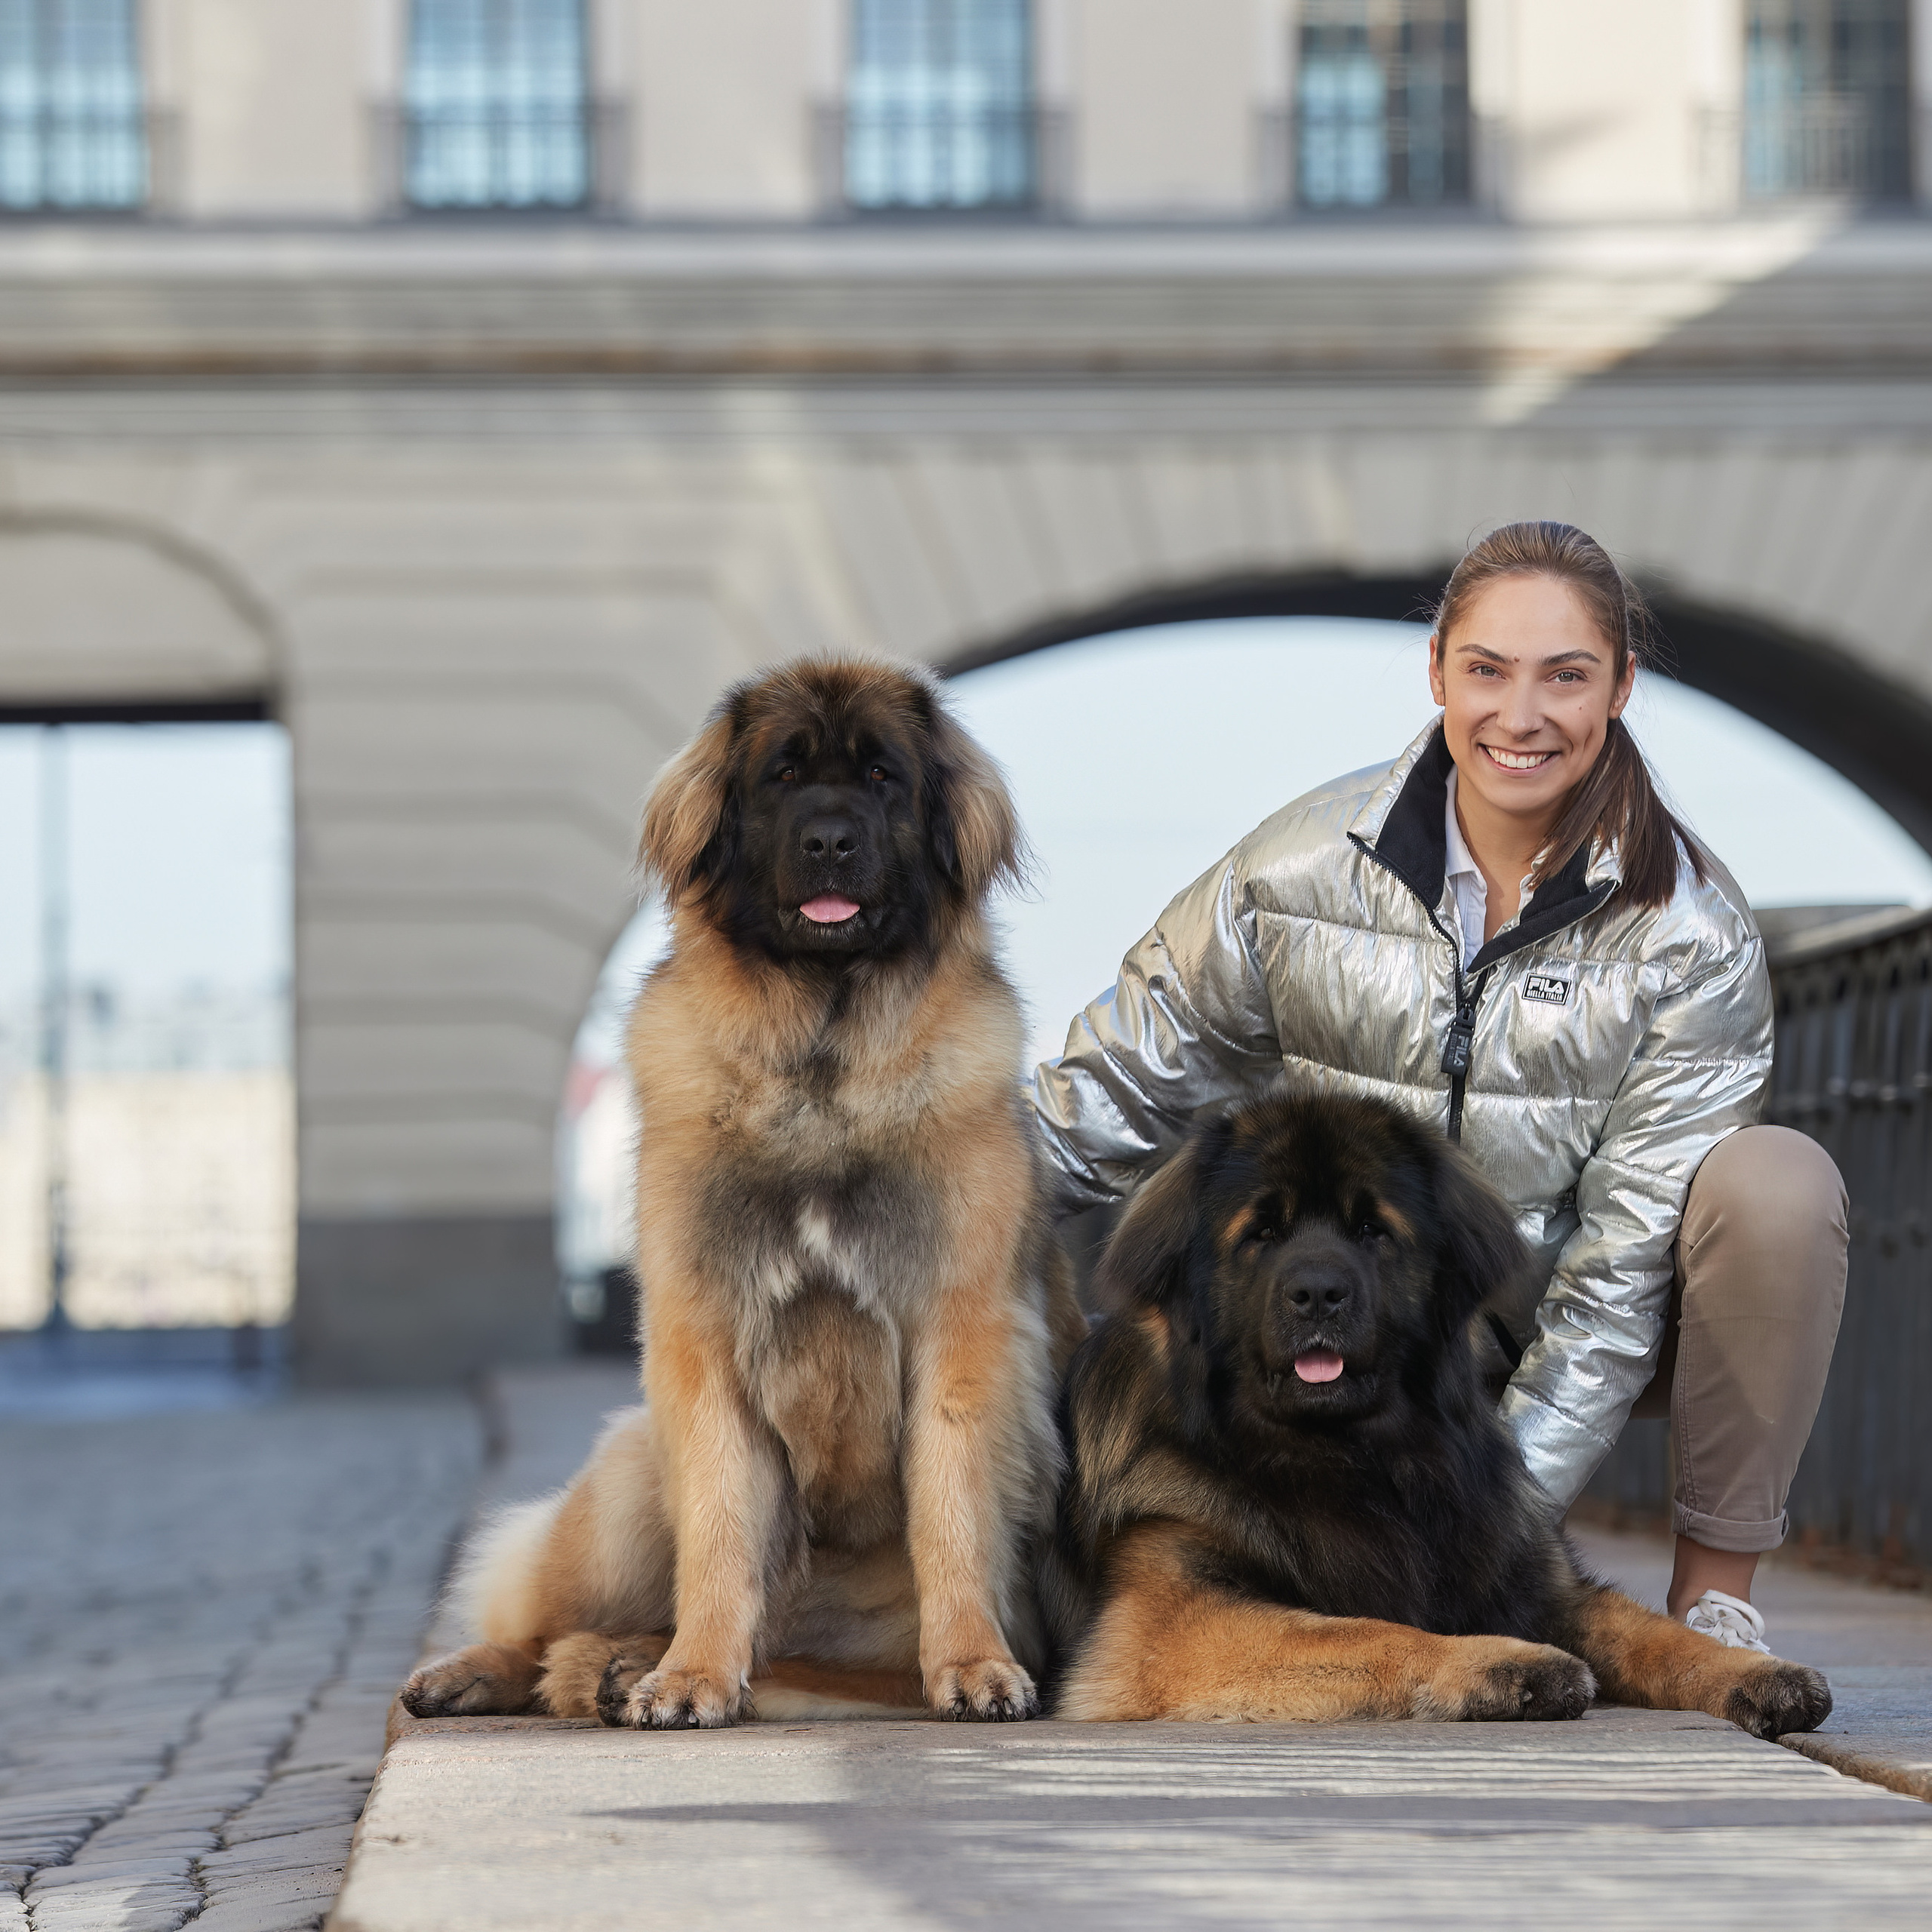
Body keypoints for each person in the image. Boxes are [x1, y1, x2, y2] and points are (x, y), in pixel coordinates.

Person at [1029, 521, 1848, 1652]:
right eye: (1488, 671)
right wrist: (882, 1193)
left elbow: (1618, 1281)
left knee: (1779, 1184)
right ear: (1437, 675)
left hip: (1570, 1313)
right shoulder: (1297, 869)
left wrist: (1494, 1524)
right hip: (1364, 1318)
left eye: (1566, 676)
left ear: (1621, 688)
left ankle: (1716, 1595)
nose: (1522, 716)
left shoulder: (1690, 930)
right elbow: (1110, 1087)